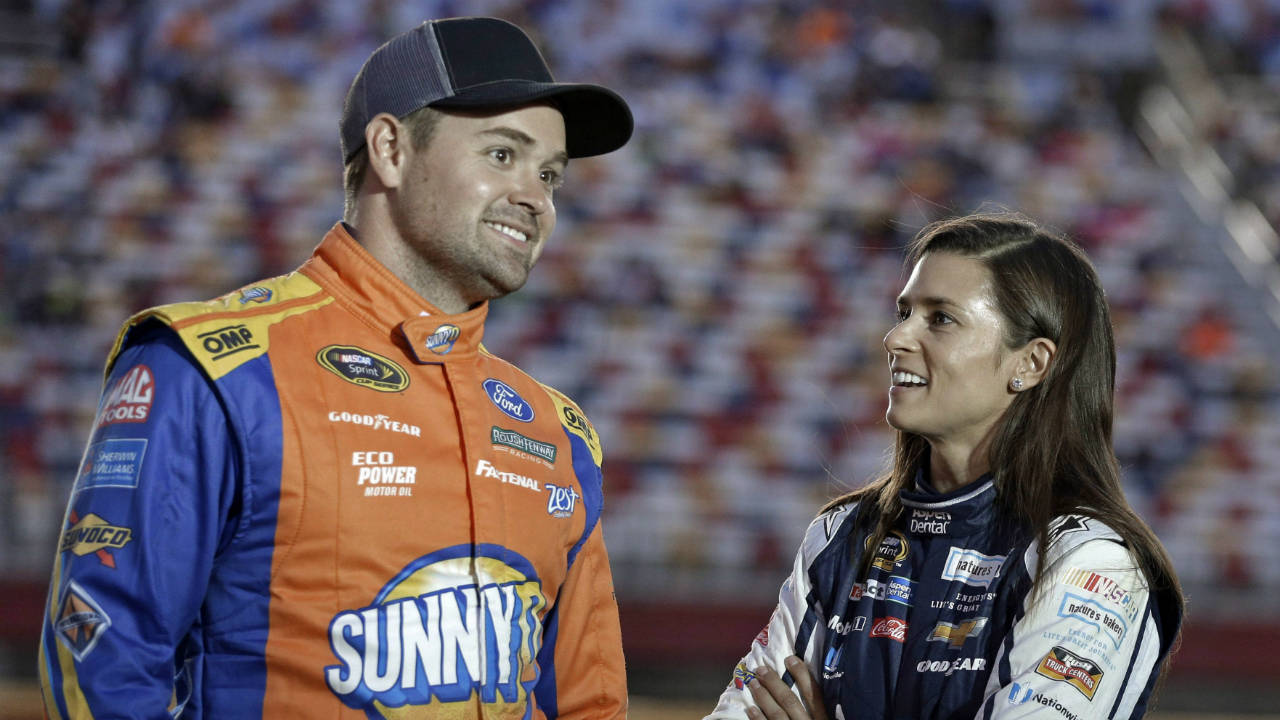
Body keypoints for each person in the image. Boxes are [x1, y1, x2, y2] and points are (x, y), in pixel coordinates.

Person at [39, 16, 633, 719]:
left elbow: (591, 702)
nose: (537, 198)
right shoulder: (210, 370)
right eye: (503, 156)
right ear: (389, 149)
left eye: (551, 174)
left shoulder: (560, 433)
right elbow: (104, 663)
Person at [706, 213, 1184, 720]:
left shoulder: (1087, 560)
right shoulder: (841, 536)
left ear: (1031, 364)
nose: (895, 338)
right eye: (904, 311)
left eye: (941, 319)